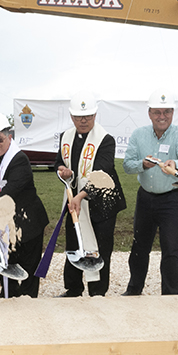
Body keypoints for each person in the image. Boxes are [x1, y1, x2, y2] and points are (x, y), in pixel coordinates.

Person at [122, 88, 178, 296]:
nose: (162, 117)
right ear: (149, 113)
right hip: (145, 198)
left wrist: (177, 163)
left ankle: (170, 295)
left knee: (172, 250)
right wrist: (142, 165)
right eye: (157, 112)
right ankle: (134, 290)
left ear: (172, 113)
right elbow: (127, 165)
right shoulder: (139, 135)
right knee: (139, 247)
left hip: (173, 199)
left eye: (166, 112)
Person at [55, 92, 127, 297]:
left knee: (100, 247)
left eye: (87, 116)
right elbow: (58, 162)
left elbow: (102, 173)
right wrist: (62, 169)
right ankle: (73, 288)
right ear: (71, 117)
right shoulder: (65, 138)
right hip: (73, 200)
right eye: (78, 116)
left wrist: (81, 195)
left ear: (95, 115)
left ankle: (97, 291)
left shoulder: (105, 140)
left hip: (101, 204)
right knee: (74, 243)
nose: (83, 120)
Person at [0, 112, 49, 298]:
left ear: (9, 137)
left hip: (27, 222)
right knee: (5, 260)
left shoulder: (19, 160)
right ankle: (8, 293)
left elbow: (11, 191)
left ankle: (28, 301)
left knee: (28, 268)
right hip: (4, 223)